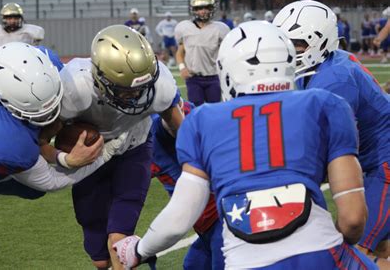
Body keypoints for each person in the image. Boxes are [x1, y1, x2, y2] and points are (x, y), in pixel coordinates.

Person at [113, 21, 377, 270]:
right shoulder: (326, 105)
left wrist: (139, 250)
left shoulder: (202, 122)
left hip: (245, 261)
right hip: (319, 252)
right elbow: (353, 218)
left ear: (227, 68)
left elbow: (180, 215)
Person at [0, 42, 126, 269]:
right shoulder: (1, 138)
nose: (51, 114)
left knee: (33, 184)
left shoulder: (43, 61)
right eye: (41, 112)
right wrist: (93, 155)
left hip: (3, 155)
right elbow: (50, 181)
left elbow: (39, 137)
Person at [39, 25, 184, 270]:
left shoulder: (159, 84)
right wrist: (66, 159)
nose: (138, 95)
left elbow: (183, 131)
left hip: (135, 148)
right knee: (98, 255)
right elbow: (40, 142)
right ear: (100, 78)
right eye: (127, 89)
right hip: (89, 158)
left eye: (142, 87)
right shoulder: (75, 87)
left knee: (120, 234)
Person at [274, 0, 389, 268]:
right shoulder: (321, 66)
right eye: (285, 43)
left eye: (298, 43)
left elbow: (327, 150)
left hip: (383, 163)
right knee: (378, 245)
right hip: (373, 159)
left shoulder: (335, 79)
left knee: (350, 251)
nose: (290, 51)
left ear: (320, 41)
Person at [150, 99, 224, 269]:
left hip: (221, 219)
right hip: (204, 227)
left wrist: (140, 250)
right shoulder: (131, 142)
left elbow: (174, 116)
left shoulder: (161, 128)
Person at [174, 0, 230, 106]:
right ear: (194, 10)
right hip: (193, 78)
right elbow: (180, 53)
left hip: (213, 77)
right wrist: (182, 68)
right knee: (195, 110)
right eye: (200, 8)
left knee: (214, 110)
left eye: (207, 7)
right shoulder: (184, 27)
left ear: (212, 9)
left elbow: (227, 54)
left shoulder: (221, 29)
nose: (203, 11)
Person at [0, 3, 44, 70]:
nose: (12, 21)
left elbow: (36, 50)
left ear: (20, 19)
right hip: (1, 68)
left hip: (23, 68)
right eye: (9, 18)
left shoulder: (28, 32)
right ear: (4, 19)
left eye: (16, 18)